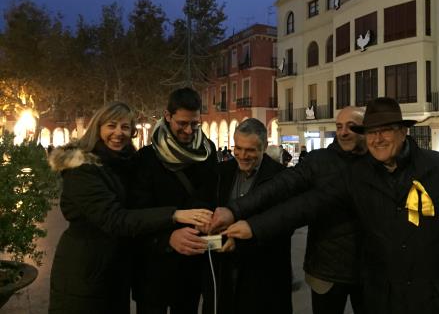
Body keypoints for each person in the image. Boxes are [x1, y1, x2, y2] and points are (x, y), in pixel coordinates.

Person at [225, 97, 439, 314]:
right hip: (389, 296)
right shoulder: (358, 176)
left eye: (385, 130)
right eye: (372, 132)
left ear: (402, 131)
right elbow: (308, 204)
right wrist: (252, 225)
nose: (378, 139)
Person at [47, 101, 212, 314]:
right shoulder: (81, 168)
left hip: (114, 273)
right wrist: (174, 215)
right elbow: (115, 219)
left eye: (125, 127)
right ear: (98, 128)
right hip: (85, 273)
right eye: (111, 125)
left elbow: (138, 207)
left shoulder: (123, 164)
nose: (118, 133)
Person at [210, 106, 366, 314]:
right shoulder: (318, 161)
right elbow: (284, 193)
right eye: (339, 126)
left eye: (352, 126)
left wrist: (250, 226)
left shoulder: (377, 163)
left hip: (370, 271)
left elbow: (298, 210)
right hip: (326, 271)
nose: (343, 132)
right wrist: (234, 212)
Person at [129, 88, 219, 314]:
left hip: (191, 267)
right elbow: (137, 213)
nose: (189, 130)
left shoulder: (208, 153)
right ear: (167, 116)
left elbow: (212, 197)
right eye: (182, 123)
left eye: (195, 124)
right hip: (153, 268)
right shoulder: (146, 158)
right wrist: (168, 238)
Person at [203, 118, 292, 314]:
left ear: (264, 147)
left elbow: (283, 228)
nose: (242, 155)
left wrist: (244, 240)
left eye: (250, 150)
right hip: (223, 274)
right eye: (238, 148)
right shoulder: (220, 173)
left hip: (263, 278)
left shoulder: (282, 178)